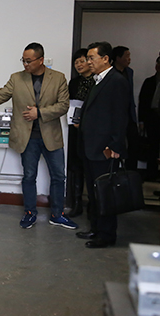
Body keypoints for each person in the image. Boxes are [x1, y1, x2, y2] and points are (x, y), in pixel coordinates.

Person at [0, 42, 76, 230]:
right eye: (23, 60)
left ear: (41, 60)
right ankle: (30, 213)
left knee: (58, 176)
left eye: (29, 61)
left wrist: (40, 113)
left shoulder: (58, 78)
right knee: (29, 176)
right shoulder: (16, 78)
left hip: (51, 136)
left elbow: (63, 105)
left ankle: (57, 215)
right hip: (27, 138)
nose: (25, 64)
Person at [76, 41, 130, 248]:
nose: (88, 62)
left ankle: (106, 235)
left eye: (91, 58)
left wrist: (114, 147)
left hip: (105, 149)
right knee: (93, 191)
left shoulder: (117, 81)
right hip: (91, 147)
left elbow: (120, 117)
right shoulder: (98, 80)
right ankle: (95, 228)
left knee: (105, 193)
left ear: (105, 59)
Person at [66, 48, 94, 217]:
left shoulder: (98, 81)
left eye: (82, 61)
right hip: (75, 128)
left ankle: (93, 204)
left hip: (92, 130)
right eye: (76, 62)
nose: (79, 65)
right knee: (76, 165)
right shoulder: (74, 83)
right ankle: (77, 204)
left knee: (90, 165)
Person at [138, 46, 160, 181]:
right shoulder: (149, 81)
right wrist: (141, 121)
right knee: (152, 147)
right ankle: (151, 174)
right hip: (151, 117)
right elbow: (142, 102)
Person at [112, 45, 139, 167]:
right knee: (117, 143)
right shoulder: (110, 73)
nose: (129, 59)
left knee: (133, 142)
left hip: (129, 112)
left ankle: (131, 171)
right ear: (118, 58)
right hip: (115, 114)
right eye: (127, 56)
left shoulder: (129, 72)